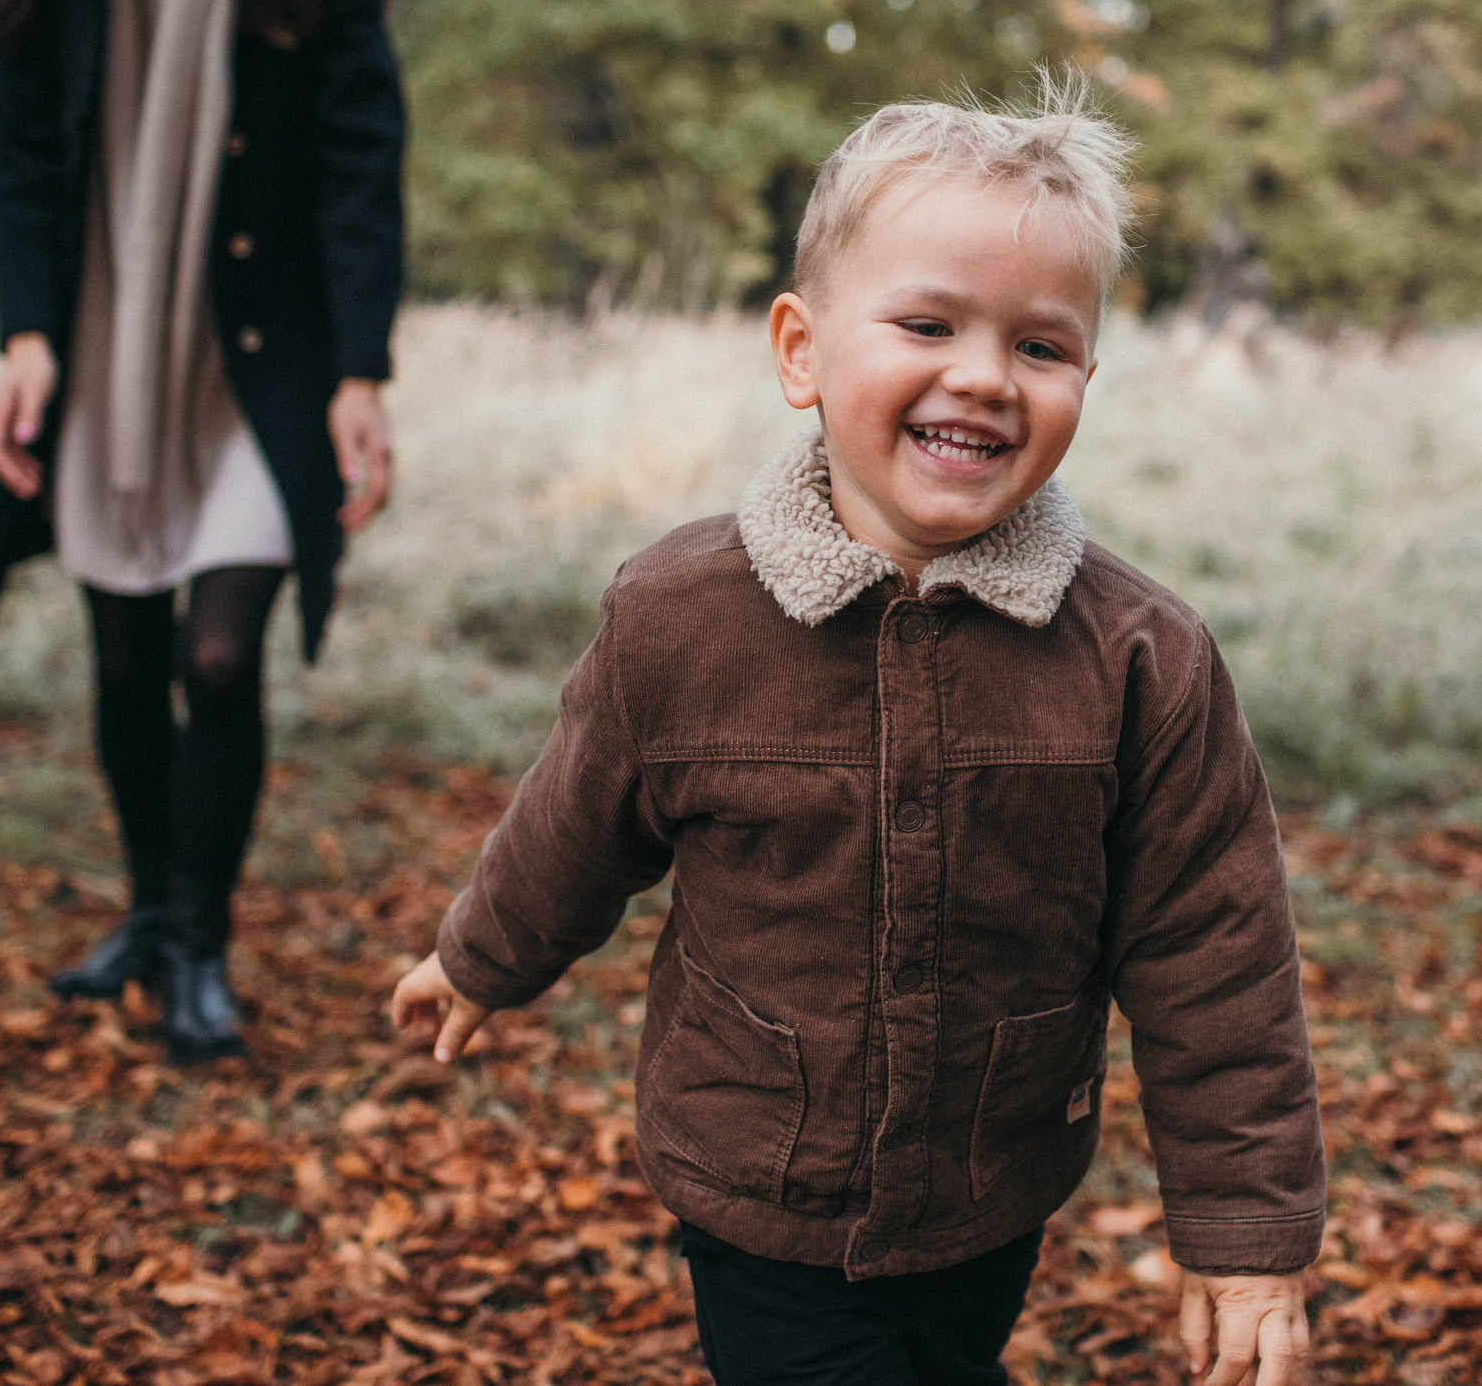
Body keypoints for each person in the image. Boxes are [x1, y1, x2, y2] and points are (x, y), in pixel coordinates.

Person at [390, 86, 1322, 1386]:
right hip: (758, 1168)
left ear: (1085, 382)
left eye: (1042, 347)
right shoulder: (679, 618)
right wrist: (481, 955)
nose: (985, 376)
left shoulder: (1137, 658)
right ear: (802, 351)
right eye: (929, 323)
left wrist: (1245, 1229)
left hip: (994, 1180)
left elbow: (1210, 950)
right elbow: (577, 816)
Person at [0, 0, 406, 1063]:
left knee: (219, 647)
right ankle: (147, 913)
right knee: (127, 650)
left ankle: (201, 938)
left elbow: (359, 145)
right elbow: (16, 137)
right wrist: (26, 335)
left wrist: (362, 368)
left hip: (260, 356)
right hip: (103, 342)